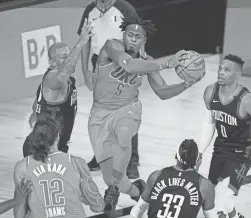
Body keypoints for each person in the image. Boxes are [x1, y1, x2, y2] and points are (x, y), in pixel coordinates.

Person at [88, 16, 203, 211]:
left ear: (144, 40)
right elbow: (129, 65)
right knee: (111, 176)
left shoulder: (148, 62)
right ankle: (136, 190)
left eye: (137, 36)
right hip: (99, 115)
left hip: (128, 109)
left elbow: (163, 92)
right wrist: (167, 63)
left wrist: (186, 84)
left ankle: (114, 189)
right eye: (129, 35)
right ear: (123, 35)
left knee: (124, 133)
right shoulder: (111, 47)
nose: (132, 39)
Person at [77, 0, 141, 178]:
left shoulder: (125, 8)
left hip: (122, 60)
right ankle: (102, 157)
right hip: (99, 62)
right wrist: (85, 70)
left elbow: (140, 37)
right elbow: (85, 40)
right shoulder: (90, 10)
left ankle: (132, 161)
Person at [22, 19, 94, 157]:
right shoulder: (53, 78)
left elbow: (38, 101)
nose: (68, 59)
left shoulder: (67, 80)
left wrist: (34, 115)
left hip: (56, 147)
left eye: (69, 55)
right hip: (42, 151)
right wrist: (80, 43)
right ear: (53, 63)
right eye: (63, 57)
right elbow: (67, 69)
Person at [14, 119, 105, 218]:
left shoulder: (22, 167)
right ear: (57, 137)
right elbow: (98, 206)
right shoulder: (77, 163)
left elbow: (19, 210)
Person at [199, 54, 251, 218]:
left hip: (241, 154)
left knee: (220, 199)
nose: (220, 72)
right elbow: (209, 124)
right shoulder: (210, 92)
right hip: (220, 149)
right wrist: (200, 152)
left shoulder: (246, 100)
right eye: (220, 68)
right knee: (211, 198)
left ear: (237, 75)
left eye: (227, 70)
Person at [130, 139, 219, 218]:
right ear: (198, 160)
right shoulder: (205, 185)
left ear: (176, 156)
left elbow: (136, 212)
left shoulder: (156, 176)